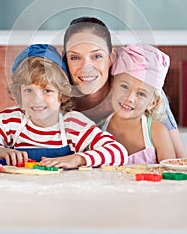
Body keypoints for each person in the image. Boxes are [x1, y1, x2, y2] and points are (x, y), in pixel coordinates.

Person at [0, 44, 128, 169]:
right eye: (28, 90)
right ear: (19, 93)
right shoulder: (10, 121)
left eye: (47, 91)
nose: (37, 100)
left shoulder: (73, 125)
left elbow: (119, 153)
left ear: (61, 94)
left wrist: (77, 159)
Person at [63, 16, 186, 158]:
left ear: (112, 57)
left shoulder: (143, 88)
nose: (86, 68)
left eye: (97, 56)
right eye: (75, 57)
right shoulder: (57, 96)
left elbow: (179, 162)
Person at [101, 44, 176, 163]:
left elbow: (171, 173)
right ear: (112, 86)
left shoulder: (157, 132)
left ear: (152, 103)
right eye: (124, 87)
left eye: (141, 94)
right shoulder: (98, 130)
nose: (130, 98)